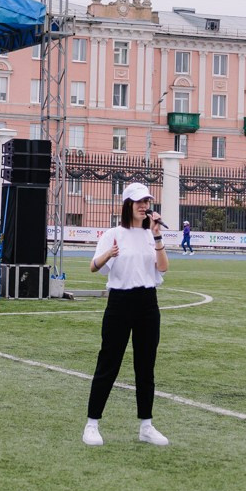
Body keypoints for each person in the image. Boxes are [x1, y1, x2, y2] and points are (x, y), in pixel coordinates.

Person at [84, 183, 169, 447]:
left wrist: (157, 238)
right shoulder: (113, 233)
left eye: (146, 201)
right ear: (127, 205)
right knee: (109, 362)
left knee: (146, 365)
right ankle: (92, 424)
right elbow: (93, 267)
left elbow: (163, 268)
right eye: (138, 202)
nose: (143, 206)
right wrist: (108, 254)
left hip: (147, 302)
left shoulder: (150, 235)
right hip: (120, 301)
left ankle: (146, 425)